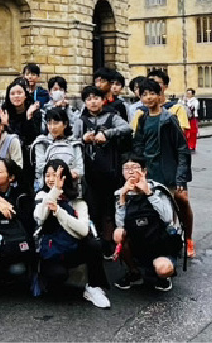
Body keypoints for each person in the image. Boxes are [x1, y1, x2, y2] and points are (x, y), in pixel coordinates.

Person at [33, 160, 110, 308]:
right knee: (58, 276)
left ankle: (94, 287)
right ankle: (45, 278)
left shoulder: (77, 201)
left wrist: (59, 212)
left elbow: (83, 230)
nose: (51, 179)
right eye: (47, 175)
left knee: (93, 244)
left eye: (56, 175)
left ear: (65, 178)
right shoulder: (42, 196)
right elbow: (40, 217)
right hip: (51, 252)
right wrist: (55, 192)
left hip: (71, 247)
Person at [131, 78, 194, 258]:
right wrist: (139, 168)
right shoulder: (142, 119)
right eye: (144, 94)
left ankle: (187, 238)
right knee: (157, 209)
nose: (149, 98)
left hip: (169, 172)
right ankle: (162, 245)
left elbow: (182, 149)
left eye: (152, 93)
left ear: (160, 95)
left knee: (180, 203)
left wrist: (181, 178)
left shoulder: (169, 119)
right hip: (150, 172)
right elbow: (138, 145)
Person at [74, 86, 131, 257]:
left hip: (110, 172)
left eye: (96, 98)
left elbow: (127, 128)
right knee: (92, 209)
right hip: (89, 174)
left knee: (109, 210)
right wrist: (83, 139)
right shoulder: (80, 121)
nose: (93, 102)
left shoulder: (112, 117)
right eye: (89, 99)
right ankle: (94, 243)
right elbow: (72, 141)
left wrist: (107, 134)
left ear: (102, 100)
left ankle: (108, 244)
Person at [114, 156, 182, 292]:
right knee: (118, 234)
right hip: (138, 241)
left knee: (163, 269)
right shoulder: (120, 193)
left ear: (144, 171)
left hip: (160, 243)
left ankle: (163, 276)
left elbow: (168, 218)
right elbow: (120, 225)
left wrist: (149, 194)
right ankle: (134, 271)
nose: (131, 171)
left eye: (135, 167)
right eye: (126, 168)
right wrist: (122, 198)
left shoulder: (158, 189)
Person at [31, 108, 83, 191]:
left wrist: (68, 174)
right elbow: (40, 168)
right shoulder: (41, 142)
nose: (52, 127)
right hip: (47, 188)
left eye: (56, 123)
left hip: (71, 188)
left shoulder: (75, 143)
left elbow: (80, 169)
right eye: (49, 123)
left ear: (65, 124)